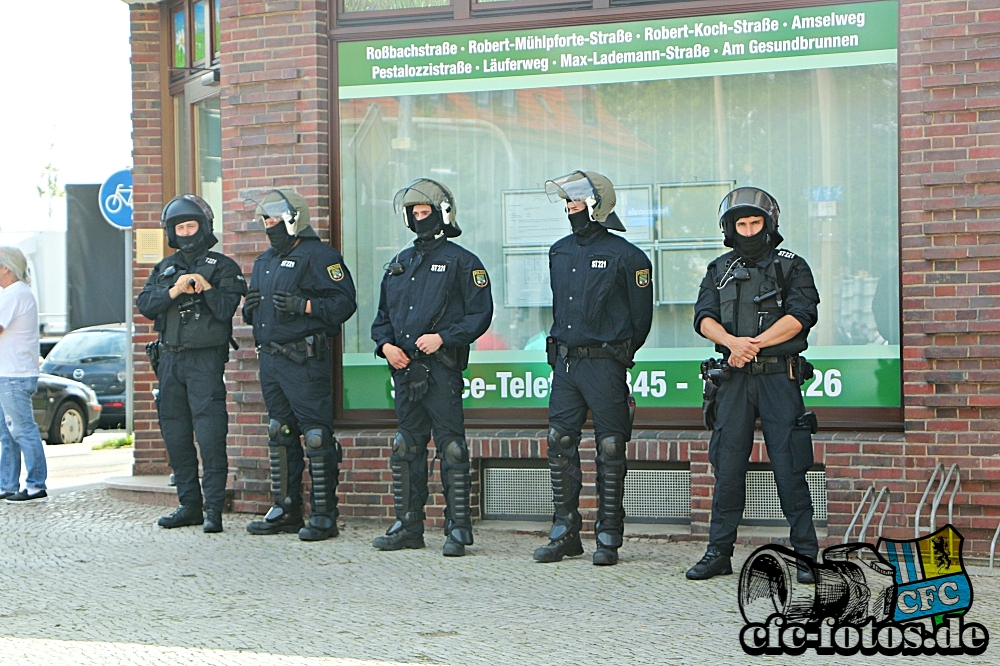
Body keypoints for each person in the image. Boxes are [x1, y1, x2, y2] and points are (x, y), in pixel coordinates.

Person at [686, 187, 820, 582]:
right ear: (730, 228)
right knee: (727, 467)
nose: (748, 230)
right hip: (733, 381)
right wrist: (731, 344)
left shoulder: (791, 266)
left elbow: (801, 316)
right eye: (741, 224)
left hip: (779, 377)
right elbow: (703, 317)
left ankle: (807, 556)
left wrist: (754, 345)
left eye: (755, 222)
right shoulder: (719, 268)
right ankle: (718, 552)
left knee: (790, 466)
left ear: (769, 224)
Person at [533, 171, 653, 566]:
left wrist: (617, 354)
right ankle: (565, 531)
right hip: (566, 363)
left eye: (577, 200)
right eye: (567, 201)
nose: (570, 207)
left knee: (611, 446)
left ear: (598, 204)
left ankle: (608, 534)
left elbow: (640, 320)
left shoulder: (629, 256)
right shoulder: (559, 251)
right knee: (559, 441)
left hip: (605, 364)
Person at [370, 178, 493, 557]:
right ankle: (408, 525)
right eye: (414, 214)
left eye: (425, 212)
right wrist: (386, 346)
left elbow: (480, 315)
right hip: (404, 369)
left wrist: (444, 337)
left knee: (451, 447)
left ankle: (458, 529)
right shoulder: (399, 263)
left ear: (441, 215)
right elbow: (382, 317)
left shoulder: (463, 262)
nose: (420, 219)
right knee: (406, 447)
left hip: (440, 367)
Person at [243, 189, 357, 542]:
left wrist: (305, 306)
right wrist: (251, 308)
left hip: (304, 360)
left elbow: (344, 303)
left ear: (295, 219)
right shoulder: (264, 261)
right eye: (266, 220)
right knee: (280, 432)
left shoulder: (320, 256)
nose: (269, 226)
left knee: (316, 435)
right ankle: (285, 507)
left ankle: (324, 515)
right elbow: (253, 309)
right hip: (272, 361)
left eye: (275, 219)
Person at [137, 195, 247, 532]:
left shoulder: (223, 265)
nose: (186, 232)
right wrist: (174, 290)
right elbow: (145, 304)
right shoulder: (165, 268)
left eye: (192, 225)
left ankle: (213, 509)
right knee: (176, 434)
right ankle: (189, 505)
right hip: (169, 360)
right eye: (180, 227)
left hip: (205, 362)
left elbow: (227, 309)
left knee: (211, 435)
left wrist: (206, 288)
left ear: (204, 226)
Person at [0, 246, 48, 502]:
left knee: (22, 430)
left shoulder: (14, 294)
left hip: (14, 375)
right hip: (9, 373)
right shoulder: (14, 294)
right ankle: (7, 484)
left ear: (5, 267)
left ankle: (35, 484)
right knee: (7, 433)